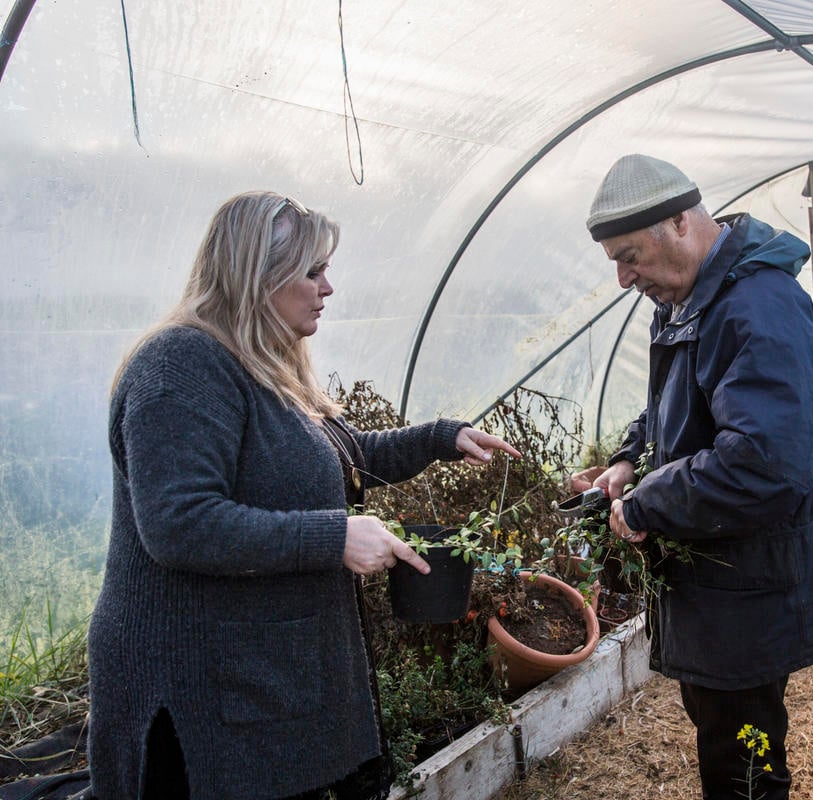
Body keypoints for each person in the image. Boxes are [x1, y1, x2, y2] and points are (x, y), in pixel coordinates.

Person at [87, 191, 520, 800]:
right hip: (201, 692)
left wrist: (441, 437)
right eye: (313, 271)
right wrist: (335, 537)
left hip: (259, 676)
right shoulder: (181, 365)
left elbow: (334, 462)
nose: (328, 288)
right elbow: (178, 523)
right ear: (258, 276)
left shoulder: (260, 363)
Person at [575, 154, 813, 800]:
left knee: (740, 753)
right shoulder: (695, 292)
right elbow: (677, 402)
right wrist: (630, 459)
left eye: (629, 255)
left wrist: (645, 505)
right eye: (615, 260)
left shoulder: (757, 306)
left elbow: (765, 464)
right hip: (734, 574)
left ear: (680, 224)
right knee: (729, 728)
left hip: (759, 577)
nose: (623, 277)